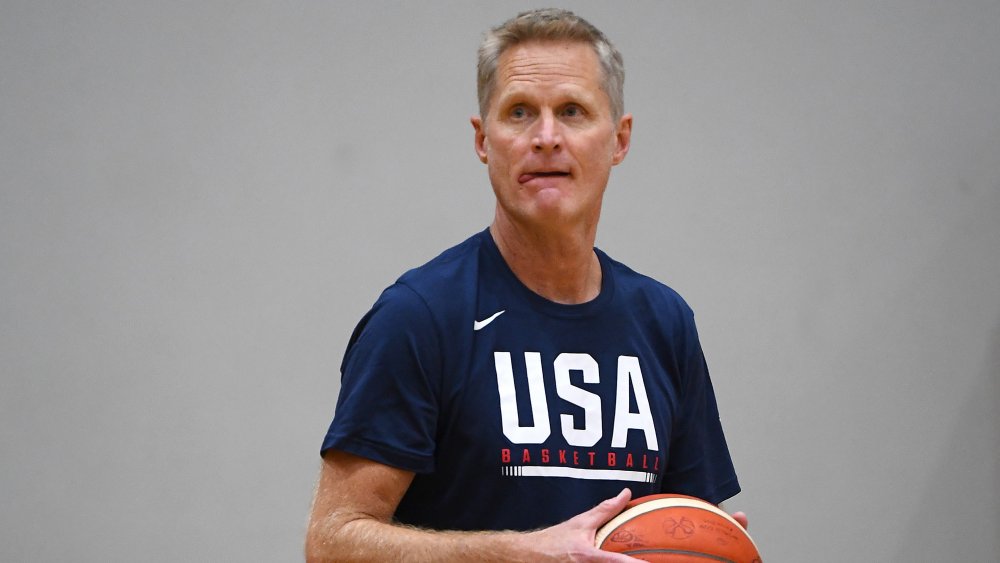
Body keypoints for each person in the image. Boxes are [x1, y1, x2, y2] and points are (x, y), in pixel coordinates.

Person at [306, 8, 745, 562]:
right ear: (483, 139)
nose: (545, 137)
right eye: (519, 112)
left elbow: (683, 530)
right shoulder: (420, 316)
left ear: (619, 139)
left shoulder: (663, 321)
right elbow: (331, 543)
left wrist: (711, 542)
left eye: (572, 111)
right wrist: (519, 555)